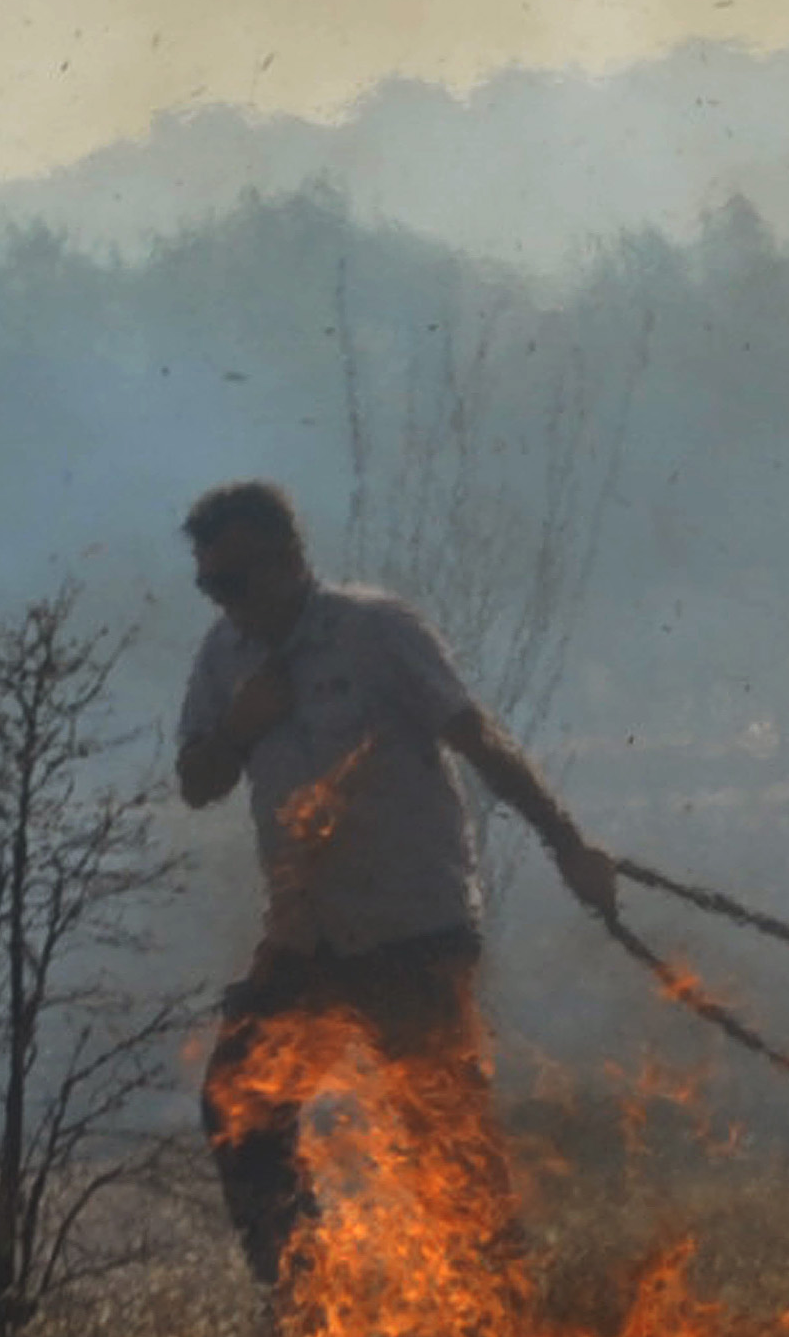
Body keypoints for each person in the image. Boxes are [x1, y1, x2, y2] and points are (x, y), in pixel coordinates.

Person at [172, 478, 618, 1290]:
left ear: (287, 560)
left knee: (441, 1142)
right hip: (307, 937)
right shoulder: (223, 657)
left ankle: (499, 1321)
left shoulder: (374, 633)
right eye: (209, 584)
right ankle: (306, 1308)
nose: (224, 601)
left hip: (410, 929)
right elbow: (196, 782)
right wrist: (241, 725)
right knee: (238, 1107)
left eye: (234, 580)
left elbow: (475, 740)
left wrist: (568, 846)